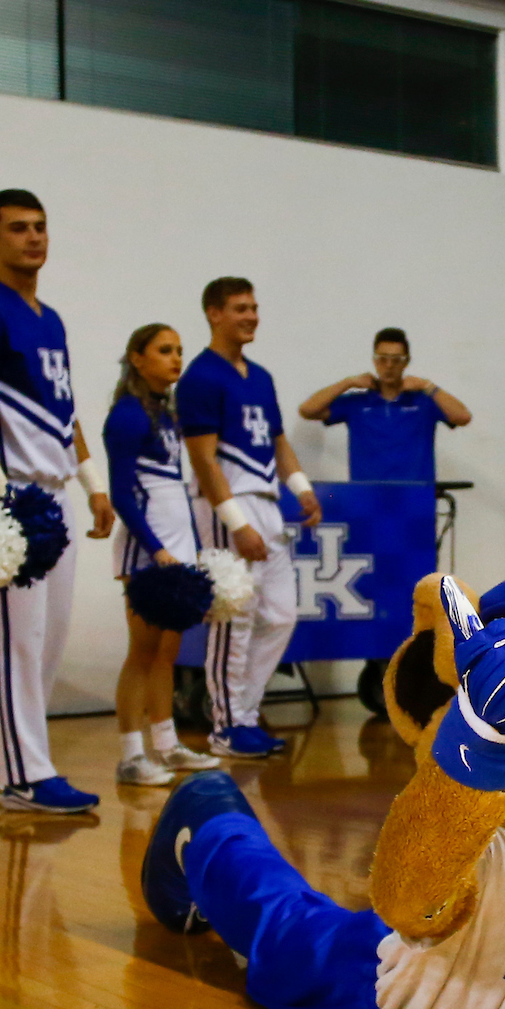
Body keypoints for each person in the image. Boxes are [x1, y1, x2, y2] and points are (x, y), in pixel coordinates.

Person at [0, 190, 116, 812]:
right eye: (18, 229)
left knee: (47, 639)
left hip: (55, 494)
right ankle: (24, 772)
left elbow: (64, 410)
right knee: (16, 639)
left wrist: (92, 483)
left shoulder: (50, 318)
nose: (33, 238)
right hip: (10, 491)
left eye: (40, 227)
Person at [180, 277, 322, 759]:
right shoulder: (200, 376)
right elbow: (203, 457)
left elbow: (277, 440)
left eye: (254, 307)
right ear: (213, 314)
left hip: (266, 502)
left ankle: (244, 712)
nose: (251, 316)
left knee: (281, 612)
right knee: (234, 618)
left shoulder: (259, 376)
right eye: (240, 308)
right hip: (230, 502)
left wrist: (301, 489)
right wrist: (234, 521)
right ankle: (226, 726)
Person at [105, 324, 226, 787]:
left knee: (166, 653)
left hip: (175, 547)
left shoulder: (167, 414)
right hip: (146, 549)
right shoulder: (127, 416)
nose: (175, 358)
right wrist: (155, 549)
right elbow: (122, 494)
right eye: (163, 351)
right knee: (142, 651)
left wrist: (187, 549)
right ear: (137, 358)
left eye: (178, 350)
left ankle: (166, 744)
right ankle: (131, 755)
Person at [297, 328, 473, 481]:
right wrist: (348, 382)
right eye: (382, 359)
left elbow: (463, 417)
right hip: (367, 499)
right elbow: (307, 410)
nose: (389, 366)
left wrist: (429, 386)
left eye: (396, 359)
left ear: (407, 362)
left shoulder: (424, 402)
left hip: (415, 500)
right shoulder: (356, 403)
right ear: (374, 360)